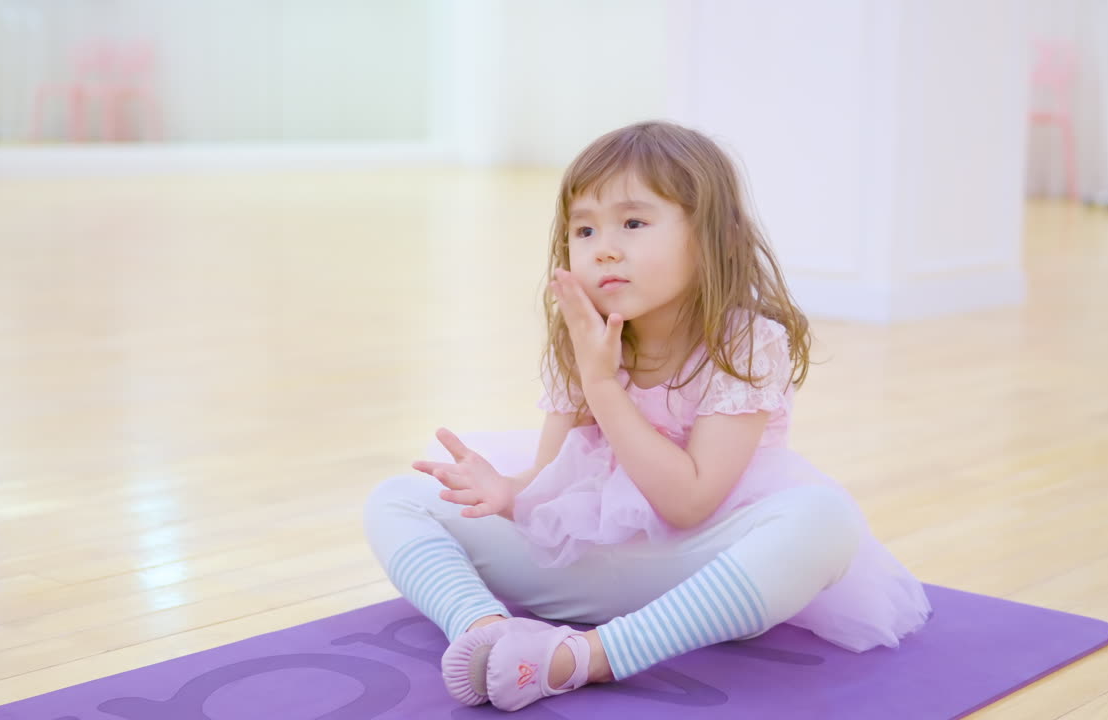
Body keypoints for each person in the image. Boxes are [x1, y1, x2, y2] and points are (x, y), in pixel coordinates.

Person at [363, 120, 931, 712]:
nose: (604, 248)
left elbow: (689, 504)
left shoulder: (746, 344)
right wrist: (507, 493)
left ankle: (588, 657)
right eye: (584, 230)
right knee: (396, 500)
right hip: (580, 571)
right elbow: (551, 481)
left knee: (825, 520)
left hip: (696, 578)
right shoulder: (581, 341)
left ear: (713, 239)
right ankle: (486, 631)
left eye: (633, 224)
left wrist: (604, 384)